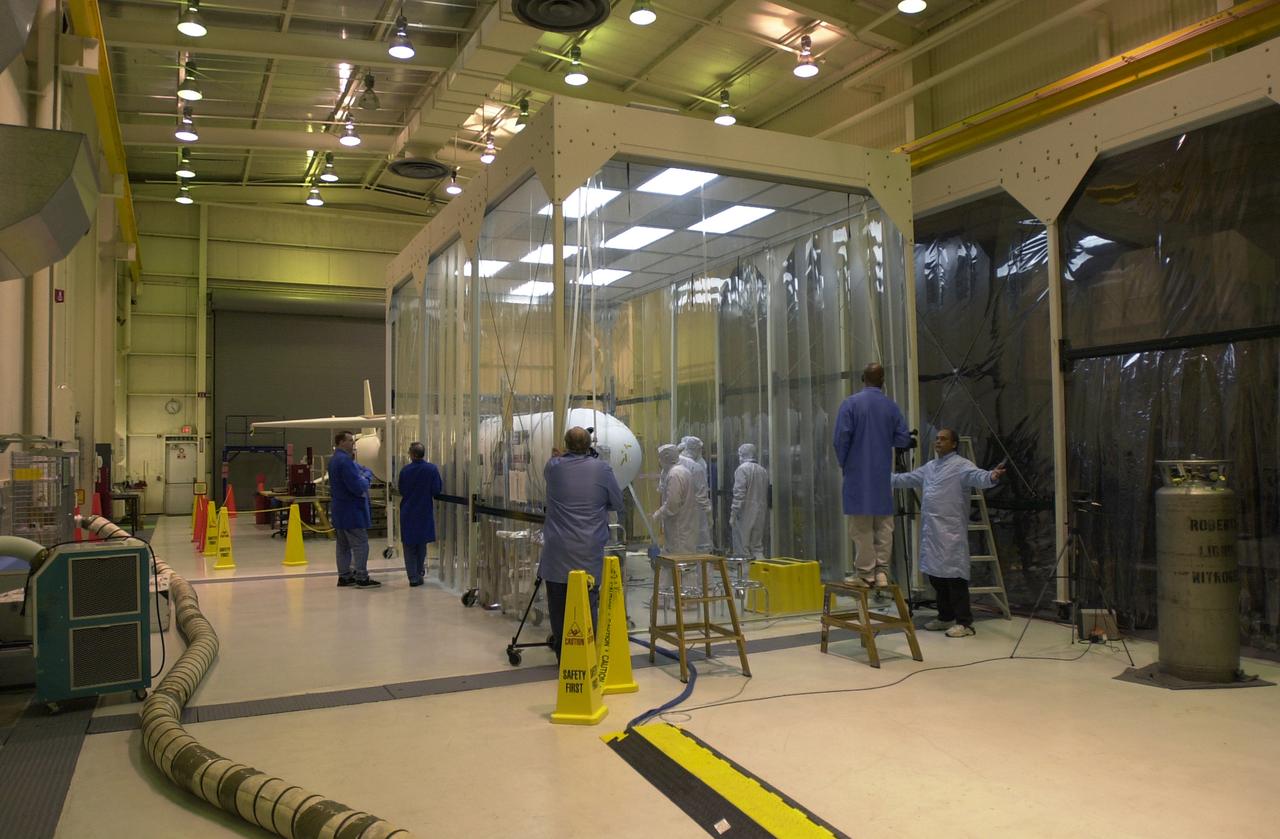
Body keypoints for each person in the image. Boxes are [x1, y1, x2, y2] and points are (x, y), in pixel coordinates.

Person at [891, 428, 1005, 637]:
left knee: (955, 577)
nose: (938, 442)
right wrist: (882, 478)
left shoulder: (961, 465)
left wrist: (992, 476)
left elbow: (979, 477)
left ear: (953, 444)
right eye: (937, 439)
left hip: (951, 532)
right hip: (932, 531)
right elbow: (906, 479)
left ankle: (965, 623)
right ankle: (945, 617)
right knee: (936, 577)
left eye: (943, 439)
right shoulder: (930, 467)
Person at [538, 426, 625, 662]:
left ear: (565, 445)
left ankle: (564, 659)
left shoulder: (553, 467)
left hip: (557, 551)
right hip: (588, 548)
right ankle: (587, 659)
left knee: (558, 606)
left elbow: (554, 467)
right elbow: (617, 503)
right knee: (588, 604)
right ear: (589, 446)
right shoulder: (603, 469)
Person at [833, 362, 914, 587]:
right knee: (884, 525)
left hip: (858, 475)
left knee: (861, 527)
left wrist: (846, 463)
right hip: (882, 475)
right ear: (883, 381)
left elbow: (841, 439)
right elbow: (902, 438)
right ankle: (882, 573)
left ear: (862, 378)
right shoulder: (891, 407)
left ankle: (865, 573)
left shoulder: (850, 405)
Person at [329, 430, 379, 588]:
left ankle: (344, 576)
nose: (353, 443)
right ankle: (362, 577)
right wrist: (367, 478)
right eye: (350, 440)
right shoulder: (345, 462)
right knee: (360, 544)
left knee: (343, 545)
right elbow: (358, 487)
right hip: (352, 510)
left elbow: (361, 469)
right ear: (340, 442)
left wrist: (363, 473)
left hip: (339, 510)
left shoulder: (335, 460)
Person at [398, 442, 443, 587]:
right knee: (421, 544)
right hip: (424, 511)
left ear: (412, 454)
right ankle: (419, 572)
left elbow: (402, 490)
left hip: (408, 511)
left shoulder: (405, 471)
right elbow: (436, 490)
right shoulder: (431, 469)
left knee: (409, 546)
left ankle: (413, 577)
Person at [653, 444, 699, 555]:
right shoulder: (684, 471)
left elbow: (672, 504)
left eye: (660, 458)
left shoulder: (674, 474)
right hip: (686, 524)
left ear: (665, 458)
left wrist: (659, 513)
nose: (659, 461)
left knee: (680, 565)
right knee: (683, 563)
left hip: (678, 529)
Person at [730, 443, 769, 560]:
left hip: (744, 511)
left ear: (742, 454)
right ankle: (759, 574)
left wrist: (733, 513)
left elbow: (739, 493)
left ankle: (745, 576)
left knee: (742, 546)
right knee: (757, 546)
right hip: (760, 510)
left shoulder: (742, 469)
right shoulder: (762, 470)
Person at [678, 435, 714, 551]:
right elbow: (701, 494)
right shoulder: (696, 466)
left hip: (678, 511)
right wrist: (708, 513)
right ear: (697, 449)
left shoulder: (675, 463)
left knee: (681, 543)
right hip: (696, 511)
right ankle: (701, 568)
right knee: (701, 544)